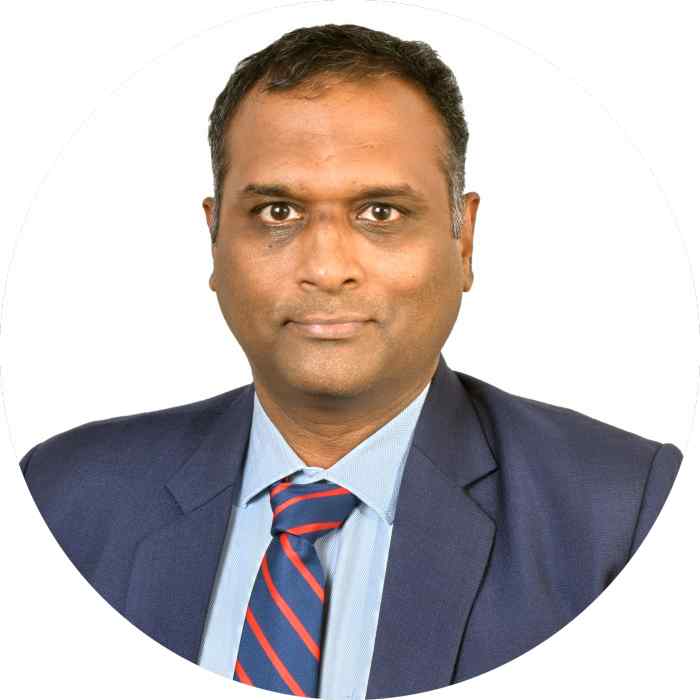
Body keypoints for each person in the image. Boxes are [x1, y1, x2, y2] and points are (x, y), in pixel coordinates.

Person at [19, 23, 682, 700]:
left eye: (381, 212)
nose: (327, 267)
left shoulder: (631, 515)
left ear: (464, 241)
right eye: (278, 211)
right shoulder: (62, 497)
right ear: (214, 239)